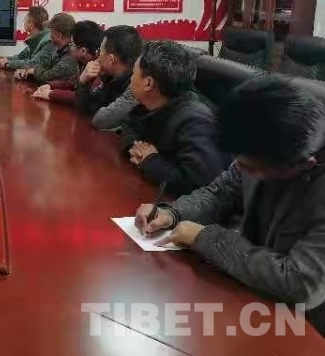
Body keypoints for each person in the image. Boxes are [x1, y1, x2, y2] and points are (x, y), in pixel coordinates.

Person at [134, 76, 325, 335]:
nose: (240, 169)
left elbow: (301, 283)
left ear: (302, 165)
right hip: (251, 295)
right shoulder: (262, 143)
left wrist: (204, 237)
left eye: (249, 167)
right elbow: (220, 192)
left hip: (302, 327)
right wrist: (172, 213)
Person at [120, 41, 226, 196]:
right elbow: (129, 125)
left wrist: (150, 161)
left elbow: (203, 185)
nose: (130, 78)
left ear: (148, 83)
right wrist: (136, 149)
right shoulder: (151, 104)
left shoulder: (196, 123)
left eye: (134, 72)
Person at [72, 25, 142, 130]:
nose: (98, 56)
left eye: (100, 51)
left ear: (110, 59)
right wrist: (84, 81)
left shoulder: (136, 86)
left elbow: (100, 120)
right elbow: (87, 110)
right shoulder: (111, 77)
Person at [32, 20, 103, 106]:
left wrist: (51, 94)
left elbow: (83, 98)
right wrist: (50, 86)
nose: (69, 47)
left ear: (83, 51)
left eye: (71, 44)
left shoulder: (99, 70)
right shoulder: (85, 62)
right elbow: (71, 82)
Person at [14, 13, 78, 84]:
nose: (49, 35)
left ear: (58, 35)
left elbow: (50, 76)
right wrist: (25, 71)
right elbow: (43, 66)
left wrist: (33, 71)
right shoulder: (58, 50)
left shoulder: (72, 54)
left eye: (51, 32)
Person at [0, 6, 52, 71]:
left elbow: (34, 63)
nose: (24, 22)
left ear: (31, 25)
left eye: (25, 20)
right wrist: (5, 59)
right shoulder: (36, 39)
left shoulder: (48, 41)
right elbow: (20, 57)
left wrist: (7, 64)